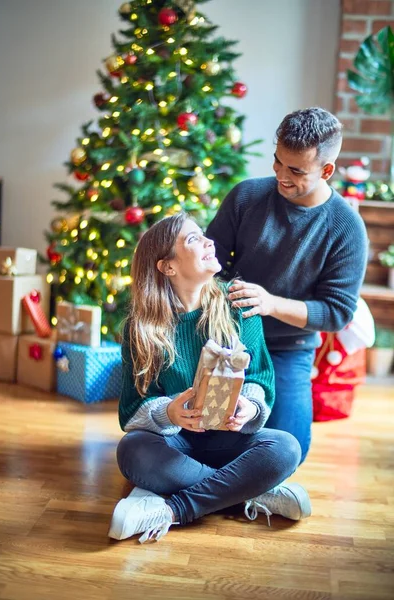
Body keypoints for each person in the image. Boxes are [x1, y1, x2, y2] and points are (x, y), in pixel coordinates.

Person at [109, 212, 311, 544]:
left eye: (204, 235)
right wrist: (169, 412)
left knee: (286, 448)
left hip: (229, 441)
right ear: (167, 266)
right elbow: (131, 412)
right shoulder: (141, 328)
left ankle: (172, 509)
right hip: (176, 444)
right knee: (132, 450)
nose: (209, 241)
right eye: (193, 239)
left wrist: (248, 406)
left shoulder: (238, 304)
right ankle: (249, 492)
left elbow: (260, 377)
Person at [206, 107, 368, 463]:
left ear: (326, 170)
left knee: (289, 451)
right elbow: (210, 266)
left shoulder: (346, 227)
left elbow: (337, 313)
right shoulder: (246, 196)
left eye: (295, 170)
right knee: (212, 437)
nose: (281, 175)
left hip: (289, 349)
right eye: (277, 161)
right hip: (227, 340)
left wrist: (269, 303)